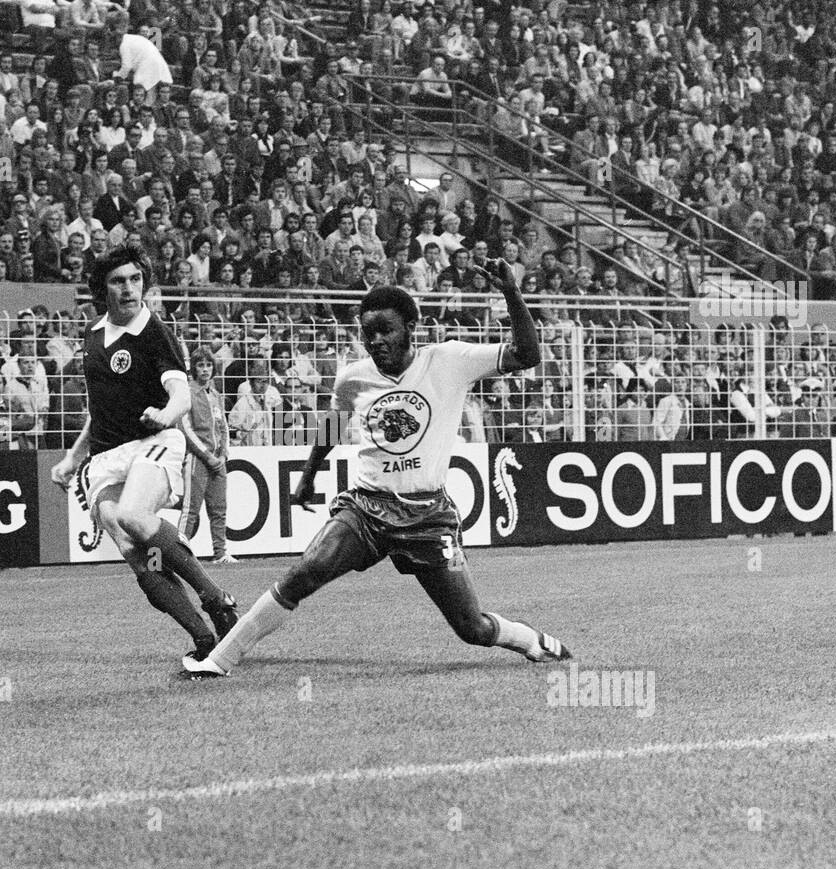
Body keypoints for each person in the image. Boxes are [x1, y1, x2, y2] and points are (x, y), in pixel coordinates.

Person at [185, 263, 574, 677]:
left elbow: (527, 355)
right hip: (367, 509)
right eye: (368, 333)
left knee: (471, 627)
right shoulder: (353, 377)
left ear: (410, 326)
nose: (376, 340)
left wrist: (512, 292)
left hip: (427, 517)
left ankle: (533, 642)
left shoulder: (450, 360)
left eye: (386, 329)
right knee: (305, 572)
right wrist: (307, 477)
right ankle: (219, 660)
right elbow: (332, 425)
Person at [50, 246, 239, 661]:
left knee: (134, 516)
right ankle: (204, 639)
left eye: (135, 279)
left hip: (154, 442)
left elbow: (180, 394)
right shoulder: (93, 336)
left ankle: (216, 599)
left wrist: (165, 414)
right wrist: (72, 457)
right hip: (105, 458)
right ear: (103, 289)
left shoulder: (155, 332)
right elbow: (99, 410)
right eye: (119, 281)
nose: (130, 288)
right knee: (134, 548)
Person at [179, 347, 236, 564]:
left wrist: (223, 453)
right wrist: (206, 455)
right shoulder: (188, 393)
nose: (205, 370)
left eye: (209, 365)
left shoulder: (216, 395)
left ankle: (220, 553)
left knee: (219, 508)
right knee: (190, 509)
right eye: (201, 365)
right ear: (194, 368)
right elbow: (185, 428)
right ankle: (180, 554)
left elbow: (224, 427)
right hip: (197, 460)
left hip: (218, 459)